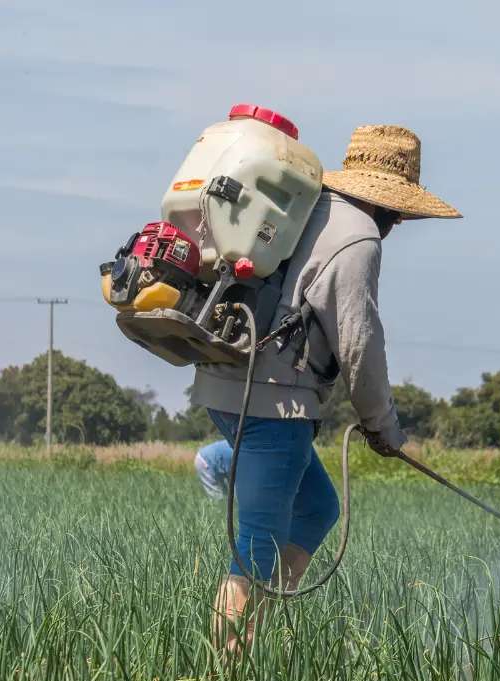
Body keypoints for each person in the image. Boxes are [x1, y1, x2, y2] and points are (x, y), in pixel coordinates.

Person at [189, 124, 461, 649]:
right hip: (273, 400)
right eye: (402, 213)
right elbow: (359, 343)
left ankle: (262, 636)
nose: (400, 223)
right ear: (394, 204)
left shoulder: (307, 206)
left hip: (225, 383)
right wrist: (383, 428)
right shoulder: (357, 237)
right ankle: (225, 680)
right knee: (256, 545)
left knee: (317, 507)